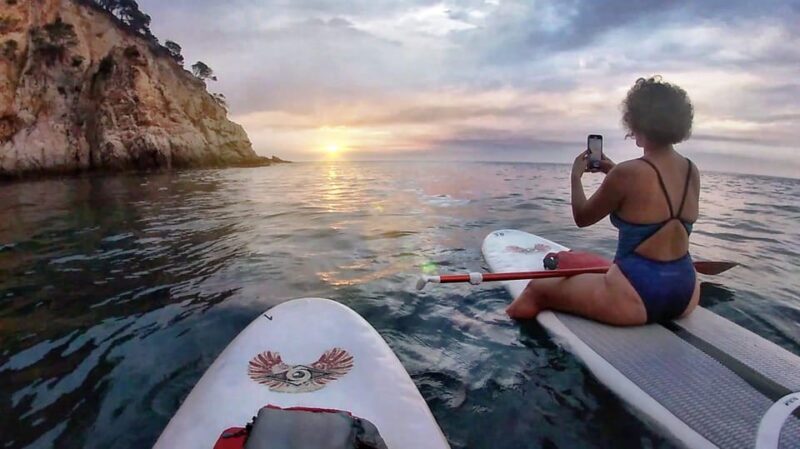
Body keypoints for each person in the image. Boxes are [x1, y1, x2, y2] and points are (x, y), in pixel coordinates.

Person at [507, 76, 700, 325]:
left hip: (634, 296)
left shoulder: (627, 173)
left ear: (637, 121)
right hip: (687, 293)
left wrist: (576, 177)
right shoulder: (691, 170)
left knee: (537, 289)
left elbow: (582, 218)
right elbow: (656, 205)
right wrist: (614, 172)